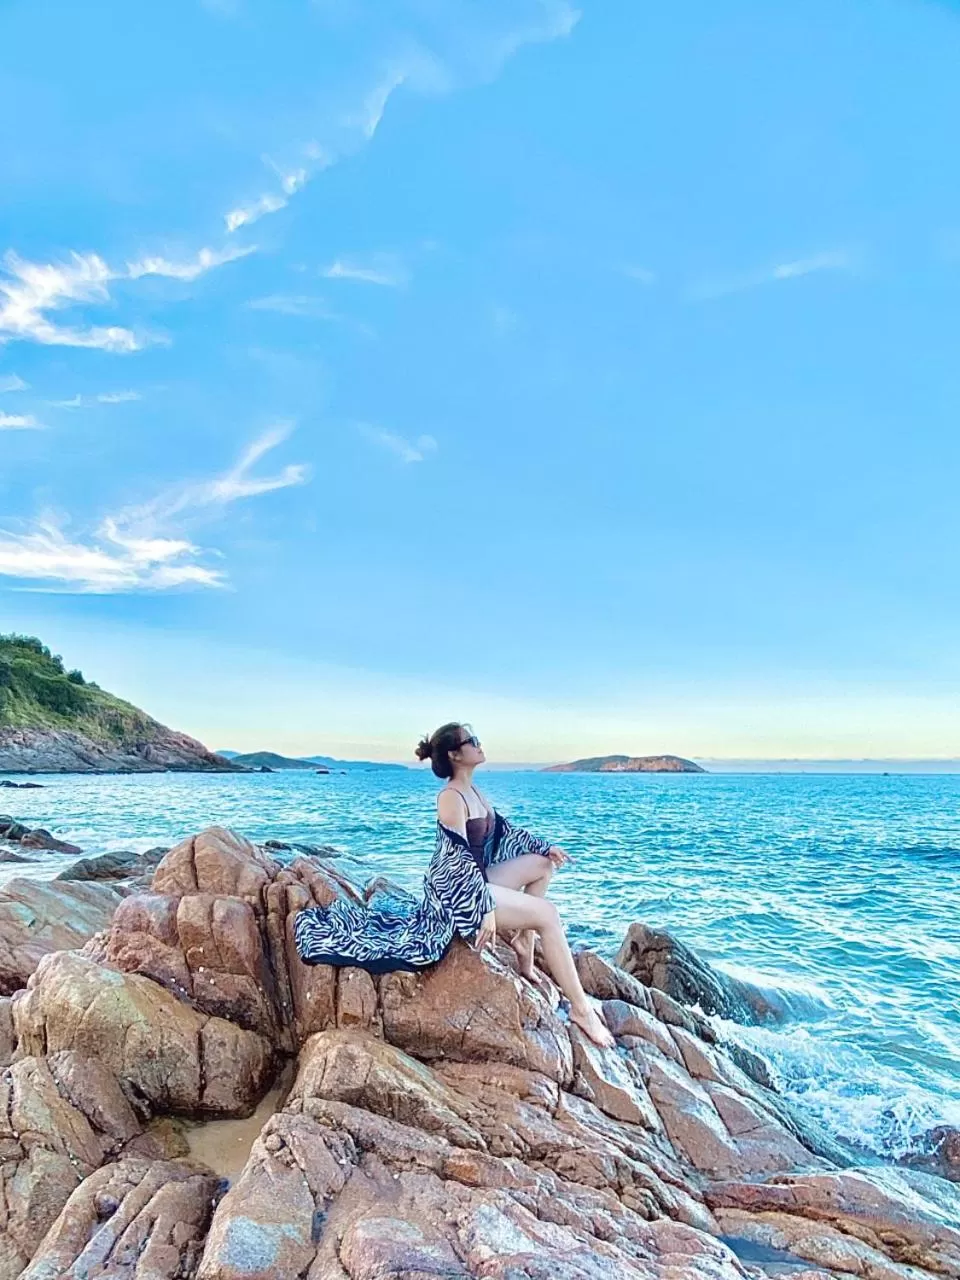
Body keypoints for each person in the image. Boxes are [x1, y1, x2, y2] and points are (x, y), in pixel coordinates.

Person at [294, 721, 614, 1048]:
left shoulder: (474, 791)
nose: (479, 743)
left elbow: (505, 832)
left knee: (543, 865)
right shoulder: (450, 798)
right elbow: (457, 860)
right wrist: (485, 906)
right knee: (548, 914)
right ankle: (581, 1010)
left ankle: (524, 947)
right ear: (455, 755)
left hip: (478, 880)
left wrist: (545, 847)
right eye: (471, 740)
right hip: (458, 895)